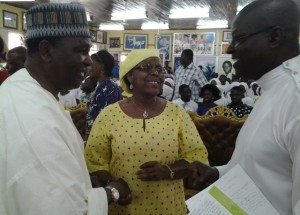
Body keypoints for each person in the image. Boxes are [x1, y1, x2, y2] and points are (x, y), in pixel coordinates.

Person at [0, 3, 132, 215]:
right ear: (46, 51)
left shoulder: (29, 90)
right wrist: (112, 192)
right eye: (81, 51)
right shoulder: (32, 115)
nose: (88, 60)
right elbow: (61, 208)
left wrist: (82, 179)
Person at [190, 0, 300, 214]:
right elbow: (264, 170)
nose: (230, 49)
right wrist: (217, 173)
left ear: (274, 37)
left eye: (238, 39)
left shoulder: (295, 97)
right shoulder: (272, 87)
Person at [84, 49, 208, 215]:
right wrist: (114, 186)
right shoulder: (109, 115)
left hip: (167, 206)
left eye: (159, 69)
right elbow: (94, 160)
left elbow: (196, 158)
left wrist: (168, 171)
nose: (155, 73)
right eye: (147, 67)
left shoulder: (177, 114)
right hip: (123, 208)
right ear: (130, 76)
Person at [86, 50, 122, 139]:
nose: (88, 67)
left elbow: (106, 122)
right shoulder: (102, 86)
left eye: (91, 64)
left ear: (102, 67)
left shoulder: (109, 89)